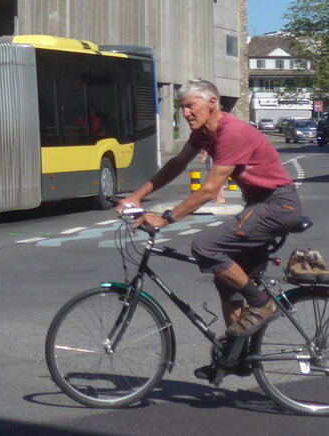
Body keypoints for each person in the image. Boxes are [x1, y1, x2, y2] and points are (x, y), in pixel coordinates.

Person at [116, 79, 302, 358]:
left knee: (205, 247)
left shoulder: (232, 132)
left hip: (277, 205)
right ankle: (236, 355)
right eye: (182, 108)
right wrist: (137, 196)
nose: (186, 113)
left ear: (212, 103)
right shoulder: (204, 133)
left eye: (191, 106)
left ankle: (262, 302)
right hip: (258, 205)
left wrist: (166, 219)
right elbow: (177, 164)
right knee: (226, 280)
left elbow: (210, 190)